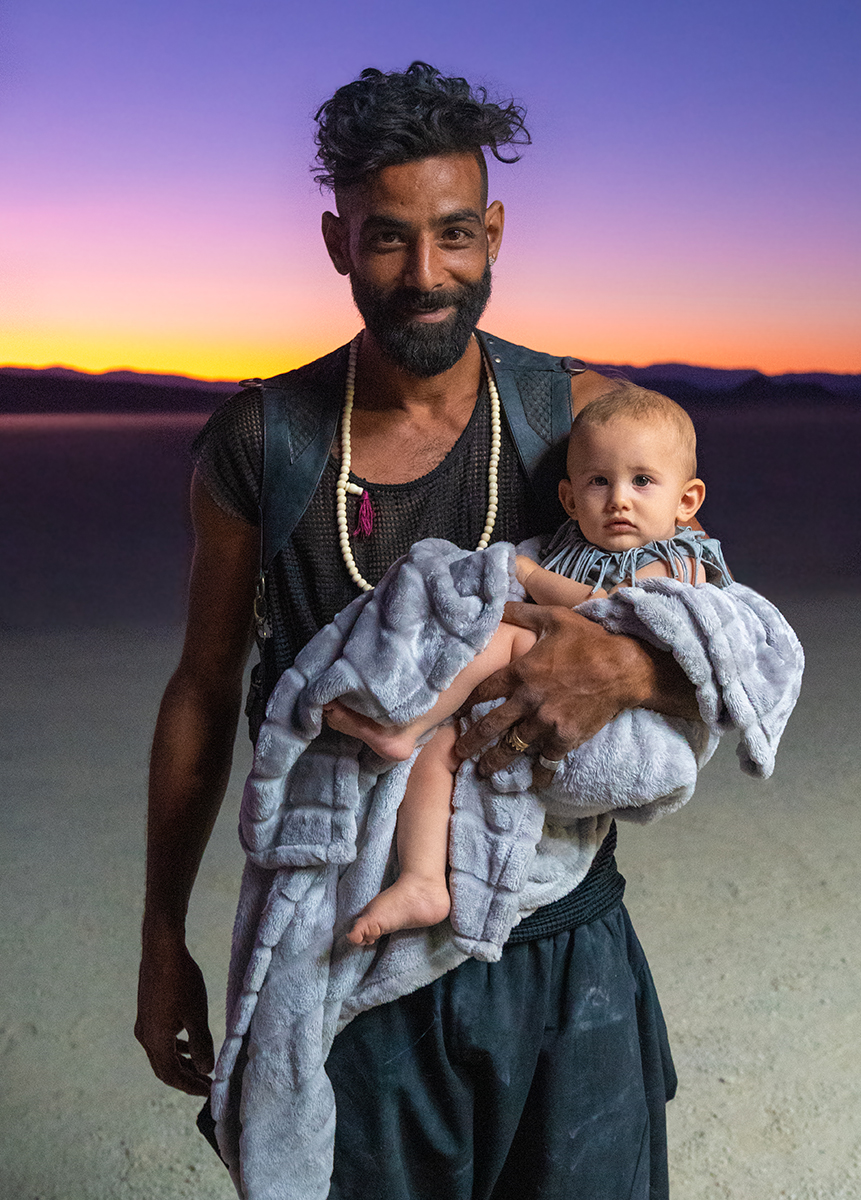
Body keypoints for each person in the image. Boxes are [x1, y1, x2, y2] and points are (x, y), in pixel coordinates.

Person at [134, 62, 802, 1200]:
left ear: (493, 233)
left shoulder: (578, 414)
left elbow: (707, 612)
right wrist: (160, 941)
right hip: (348, 949)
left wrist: (630, 660)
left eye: (455, 234)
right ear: (337, 241)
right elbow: (202, 688)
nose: (427, 274)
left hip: (558, 937)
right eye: (388, 239)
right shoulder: (265, 440)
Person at [324, 382, 731, 948]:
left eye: (642, 481)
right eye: (598, 481)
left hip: (617, 727)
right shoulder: (574, 545)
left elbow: (607, 608)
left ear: (686, 502)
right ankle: (423, 881)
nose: (619, 499)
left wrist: (531, 579)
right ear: (568, 499)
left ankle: (405, 722)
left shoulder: (675, 560)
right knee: (442, 751)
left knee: (506, 634)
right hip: (544, 705)